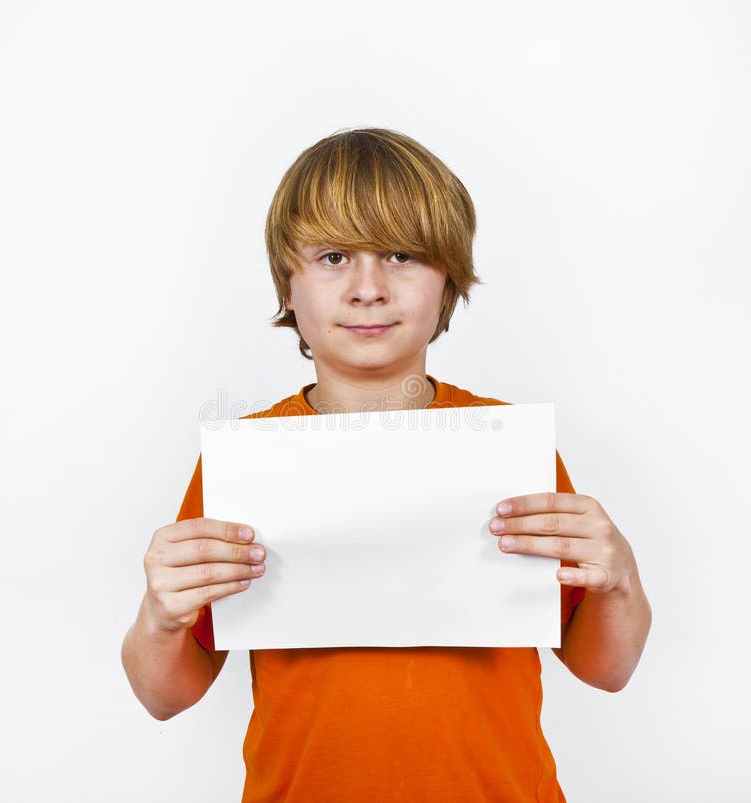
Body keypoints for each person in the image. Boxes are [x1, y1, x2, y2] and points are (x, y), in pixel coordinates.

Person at [121, 128, 652, 802]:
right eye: (333, 256)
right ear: (289, 286)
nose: (368, 288)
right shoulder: (246, 462)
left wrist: (620, 578)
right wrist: (157, 618)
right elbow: (166, 694)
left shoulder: (509, 449)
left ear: (447, 281)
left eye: (402, 254)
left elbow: (605, 669)